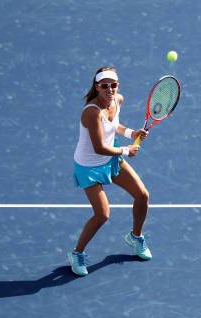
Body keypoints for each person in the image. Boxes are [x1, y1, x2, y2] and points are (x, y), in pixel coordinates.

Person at [68, 67, 152, 276]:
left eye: (113, 85)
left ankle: (135, 236)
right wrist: (126, 149)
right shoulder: (91, 112)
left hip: (111, 159)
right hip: (89, 166)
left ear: (117, 86)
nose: (109, 89)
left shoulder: (117, 100)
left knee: (142, 195)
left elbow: (115, 126)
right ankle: (77, 253)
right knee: (102, 214)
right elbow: (98, 147)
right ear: (96, 87)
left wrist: (132, 132)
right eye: (104, 85)